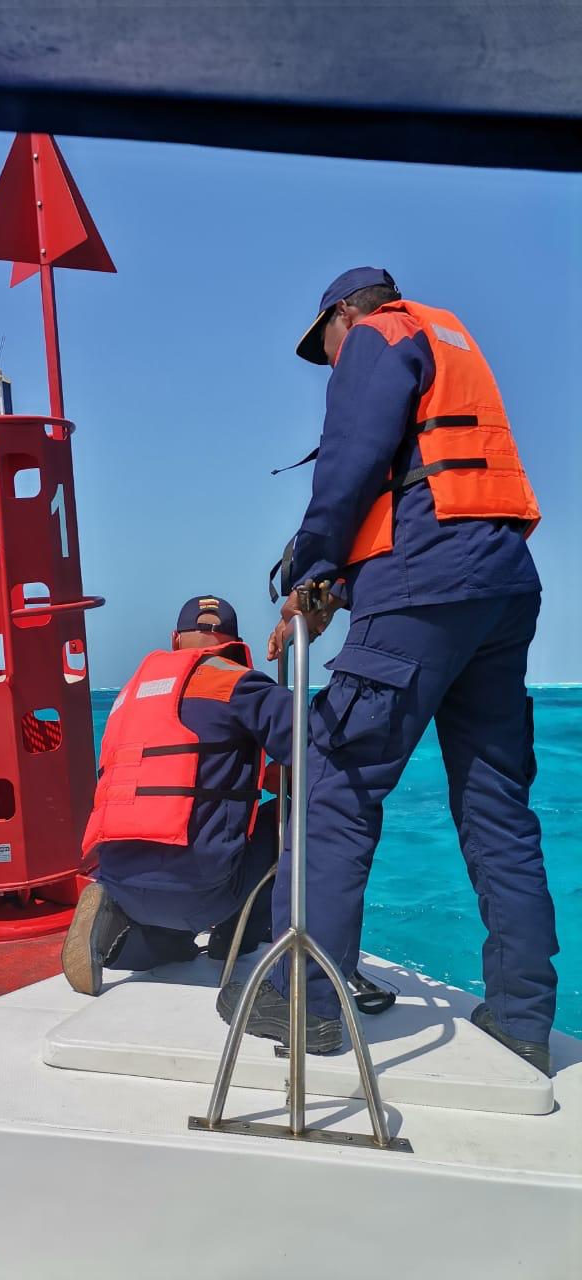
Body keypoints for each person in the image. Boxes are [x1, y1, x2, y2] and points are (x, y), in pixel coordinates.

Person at [218, 267, 558, 1072]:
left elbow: (352, 460)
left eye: (322, 346)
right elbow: (423, 477)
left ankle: (305, 1000)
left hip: (424, 585)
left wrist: (310, 567)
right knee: (497, 805)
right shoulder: (451, 341)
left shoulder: (380, 334)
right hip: (503, 584)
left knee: (333, 781)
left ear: (342, 315)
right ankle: (521, 1017)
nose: (329, 361)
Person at [61, 595, 294, 996]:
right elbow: (317, 747)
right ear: (233, 643)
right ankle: (233, 937)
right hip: (208, 890)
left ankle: (116, 921)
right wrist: (275, 775)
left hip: (118, 875)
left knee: (176, 949)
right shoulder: (238, 682)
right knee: (291, 812)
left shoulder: (127, 695)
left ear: (175, 639)